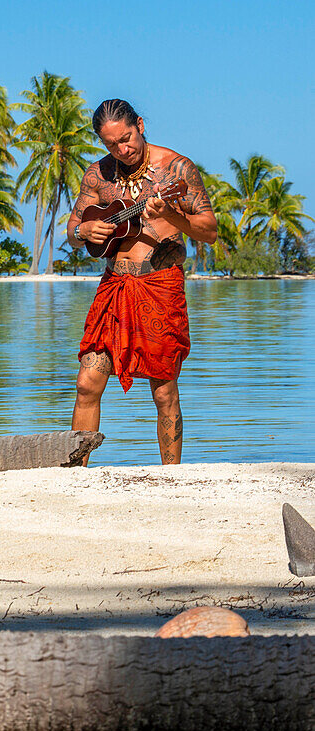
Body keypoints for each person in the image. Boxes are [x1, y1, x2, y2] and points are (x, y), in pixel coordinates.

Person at [66, 99, 217, 464]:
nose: (123, 149)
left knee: (164, 392)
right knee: (87, 383)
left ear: (141, 125)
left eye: (127, 138)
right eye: (112, 144)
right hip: (114, 286)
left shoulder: (176, 169)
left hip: (159, 285)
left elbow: (209, 231)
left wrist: (171, 216)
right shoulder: (96, 175)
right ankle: (74, 475)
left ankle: (172, 479)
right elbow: (72, 231)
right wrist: (84, 229)